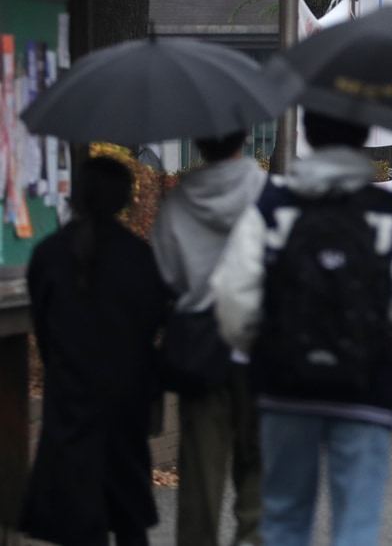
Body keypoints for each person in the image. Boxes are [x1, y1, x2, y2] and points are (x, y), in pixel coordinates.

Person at [213, 112, 392, 546]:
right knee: (356, 519)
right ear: (363, 138)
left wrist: (266, 344)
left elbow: (232, 300)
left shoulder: (272, 207)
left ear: (308, 136)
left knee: (282, 516)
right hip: (366, 384)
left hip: (285, 384)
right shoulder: (384, 213)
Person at [22, 157, 170, 546]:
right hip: (126, 394)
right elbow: (156, 320)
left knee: (75, 510)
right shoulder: (139, 257)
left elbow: (43, 323)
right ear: (126, 200)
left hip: (69, 392)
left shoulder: (49, 255)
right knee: (127, 507)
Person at [151, 132, 266, 546]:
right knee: (259, 463)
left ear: (198, 144)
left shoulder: (178, 203)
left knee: (200, 469)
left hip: (198, 345)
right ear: (245, 137)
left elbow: (166, 275)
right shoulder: (268, 193)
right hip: (259, 342)